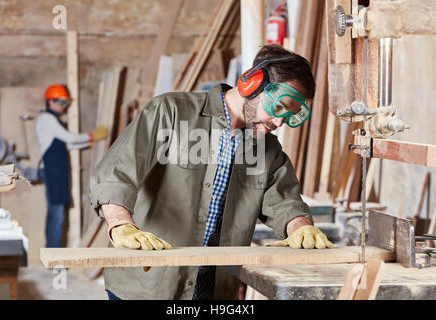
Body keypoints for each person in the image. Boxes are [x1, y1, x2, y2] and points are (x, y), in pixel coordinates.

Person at [89, 44, 333, 300]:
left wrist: (301, 228)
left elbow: (285, 203)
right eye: (279, 107)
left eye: (290, 115)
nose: (280, 122)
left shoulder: (268, 149)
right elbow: (116, 173)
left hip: (215, 287)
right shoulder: (170, 112)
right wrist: (120, 225)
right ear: (252, 84)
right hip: (148, 284)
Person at [36, 84, 107, 248]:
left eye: (65, 103)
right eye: (61, 103)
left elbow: (65, 145)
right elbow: (69, 139)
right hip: (52, 170)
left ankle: (53, 251)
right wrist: (91, 135)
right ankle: (54, 253)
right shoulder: (46, 119)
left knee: (57, 213)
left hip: (56, 171)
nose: (64, 107)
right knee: (56, 214)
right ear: (50, 102)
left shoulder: (54, 120)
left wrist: (88, 142)